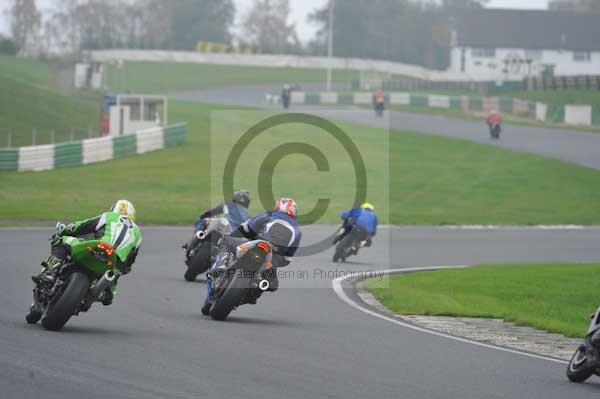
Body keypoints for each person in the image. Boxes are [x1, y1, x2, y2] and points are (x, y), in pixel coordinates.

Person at [36, 200, 142, 306]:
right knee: (109, 295)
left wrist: (65, 230)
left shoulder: (109, 216)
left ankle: (49, 274)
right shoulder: (138, 234)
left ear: (114, 209)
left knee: (61, 240)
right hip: (113, 262)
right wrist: (121, 270)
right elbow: (129, 264)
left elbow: (83, 225)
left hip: (98, 247)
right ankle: (101, 293)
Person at [214, 197, 302, 295]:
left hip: (256, 245)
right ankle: (255, 291)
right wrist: (275, 262)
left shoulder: (270, 215)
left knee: (226, 240)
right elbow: (287, 259)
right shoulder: (297, 230)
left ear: (278, 206)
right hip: (271, 259)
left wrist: (234, 235)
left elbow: (247, 227)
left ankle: (222, 261)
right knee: (272, 284)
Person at [184, 190, 252, 261]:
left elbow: (209, 213)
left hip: (224, 229)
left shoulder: (227, 206)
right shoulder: (248, 215)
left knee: (204, 221)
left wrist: (201, 219)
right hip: (236, 237)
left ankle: (192, 243)